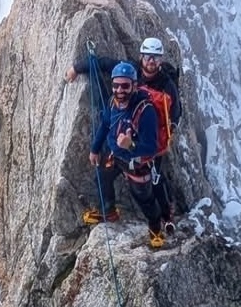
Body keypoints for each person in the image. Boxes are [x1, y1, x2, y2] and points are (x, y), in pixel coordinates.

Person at [65, 37, 181, 230]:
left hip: (148, 139)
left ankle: (165, 218)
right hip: (122, 140)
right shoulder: (130, 72)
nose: (151, 61)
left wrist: (170, 130)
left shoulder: (166, 85)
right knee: (104, 174)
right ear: (141, 56)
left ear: (161, 60)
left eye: (156, 57)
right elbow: (105, 64)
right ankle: (108, 211)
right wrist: (77, 68)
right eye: (148, 56)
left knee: (154, 181)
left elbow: (176, 111)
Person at [81, 62, 166, 249]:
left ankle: (156, 229)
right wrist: (95, 149)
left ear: (134, 86)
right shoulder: (113, 103)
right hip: (116, 156)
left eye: (125, 86)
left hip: (137, 164)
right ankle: (108, 211)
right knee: (102, 177)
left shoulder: (146, 111)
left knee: (144, 199)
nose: (119, 90)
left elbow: (151, 148)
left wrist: (131, 145)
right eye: (116, 85)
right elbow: (105, 125)